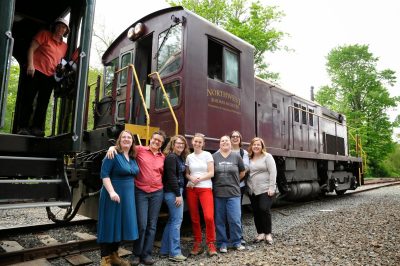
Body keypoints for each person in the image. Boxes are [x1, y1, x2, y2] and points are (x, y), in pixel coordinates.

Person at [107, 131, 166, 265]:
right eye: (155, 139)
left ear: (162, 144)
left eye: (159, 141)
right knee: (142, 225)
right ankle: (136, 254)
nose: (156, 142)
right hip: (141, 192)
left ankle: (146, 255)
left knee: (152, 225)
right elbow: (125, 147)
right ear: (150, 140)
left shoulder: (163, 157)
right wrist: (112, 148)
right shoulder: (140, 150)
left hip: (157, 192)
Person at [18, 17, 69, 137]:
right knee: (28, 99)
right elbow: (31, 48)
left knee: (43, 103)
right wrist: (30, 65)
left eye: (64, 27)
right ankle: (23, 127)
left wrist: (60, 70)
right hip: (35, 71)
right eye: (59, 25)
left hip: (50, 76)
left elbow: (59, 61)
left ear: (66, 31)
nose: (60, 28)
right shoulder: (44, 34)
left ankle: (37, 128)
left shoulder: (64, 46)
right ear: (55, 26)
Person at [97, 130, 139, 266]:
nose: (127, 139)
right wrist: (111, 192)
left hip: (127, 198)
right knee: (109, 225)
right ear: (119, 140)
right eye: (124, 137)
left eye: (129, 137)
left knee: (120, 225)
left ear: (132, 141)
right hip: (113, 195)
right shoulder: (112, 154)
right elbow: (104, 174)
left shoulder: (132, 157)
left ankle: (114, 255)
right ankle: (105, 258)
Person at [212, 135, 246, 253]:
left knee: (235, 219)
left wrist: (235, 182)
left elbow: (242, 172)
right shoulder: (214, 157)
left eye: (226, 140)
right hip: (219, 194)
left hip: (234, 193)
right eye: (222, 141)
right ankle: (222, 243)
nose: (225, 142)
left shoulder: (236, 157)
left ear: (230, 143)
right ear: (219, 143)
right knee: (220, 220)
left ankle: (236, 241)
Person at [185, 133, 217, 256]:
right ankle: (197, 242)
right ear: (192, 142)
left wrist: (198, 179)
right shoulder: (189, 157)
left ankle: (211, 243)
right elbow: (187, 174)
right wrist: (190, 178)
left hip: (205, 188)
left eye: (200, 142)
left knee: (208, 217)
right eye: (195, 141)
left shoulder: (207, 155)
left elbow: (211, 173)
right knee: (194, 218)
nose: (197, 144)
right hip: (192, 189)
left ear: (203, 144)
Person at [159, 135, 190, 262]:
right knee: (177, 221)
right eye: (178, 143)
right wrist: (178, 194)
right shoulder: (172, 157)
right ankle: (175, 252)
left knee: (172, 220)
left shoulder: (178, 157)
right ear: (172, 144)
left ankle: (165, 250)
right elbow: (171, 177)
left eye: (182, 144)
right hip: (173, 192)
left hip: (174, 191)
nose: (180, 146)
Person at [247, 137, 277, 244]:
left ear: (262, 146)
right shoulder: (249, 158)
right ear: (251, 146)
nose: (256, 146)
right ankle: (260, 233)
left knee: (264, 209)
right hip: (252, 190)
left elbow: (273, 172)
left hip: (265, 189)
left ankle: (268, 233)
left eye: (258, 145)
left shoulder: (267, 157)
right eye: (254, 145)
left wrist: (272, 187)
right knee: (256, 212)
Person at [229, 130, 250, 244]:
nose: (235, 138)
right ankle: (228, 236)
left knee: (237, 211)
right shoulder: (223, 150)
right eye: (233, 136)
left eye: (237, 136)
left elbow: (246, 167)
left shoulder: (244, 153)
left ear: (240, 139)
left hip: (239, 185)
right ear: (230, 138)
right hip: (226, 187)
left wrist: (235, 179)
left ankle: (239, 236)